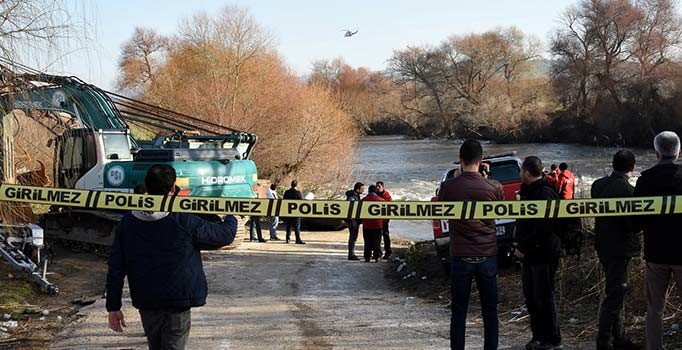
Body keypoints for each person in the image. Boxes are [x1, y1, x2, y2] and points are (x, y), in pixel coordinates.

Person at [106, 164, 237, 350]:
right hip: (177, 301)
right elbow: (224, 235)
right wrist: (231, 214)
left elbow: (116, 268)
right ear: (173, 188)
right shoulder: (183, 220)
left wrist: (113, 306)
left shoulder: (128, 223)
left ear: (147, 186)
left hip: (147, 300)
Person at [438, 139, 503, 350]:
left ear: (460, 160)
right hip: (487, 255)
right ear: (481, 160)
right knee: (490, 312)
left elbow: (441, 205)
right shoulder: (494, 187)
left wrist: (458, 176)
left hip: (460, 255)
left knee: (459, 312)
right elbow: (498, 209)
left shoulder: (448, 188)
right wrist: (485, 178)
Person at [633, 131, 682, 350]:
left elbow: (636, 217)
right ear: (678, 152)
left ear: (656, 153)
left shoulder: (645, 180)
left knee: (654, 309)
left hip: (656, 252)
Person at [591, 150, 641, 350]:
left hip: (603, 244)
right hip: (621, 248)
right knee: (615, 294)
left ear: (613, 165)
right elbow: (633, 225)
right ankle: (604, 340)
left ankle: (619, 338)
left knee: (615, 291)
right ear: (632, 167)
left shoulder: (598, 185)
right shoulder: (628, 192)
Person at [515, 156, 562, 350]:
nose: (519, 175)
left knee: (544, 296)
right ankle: (538, 336)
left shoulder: (544, 193)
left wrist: (523, 247)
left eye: (521, 171)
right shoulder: (529, 191)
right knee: (532, 296)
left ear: (526, 172)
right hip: (531, 253)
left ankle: (552, 339)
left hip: (543, 252)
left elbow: (545, 227)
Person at [361, 185, 384, 262]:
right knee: (377, 242)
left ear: (368, 191)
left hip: (367, 224)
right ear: (376, 191)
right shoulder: (381, 200)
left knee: (367, 242)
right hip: (377, 224)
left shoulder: (363, 200)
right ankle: (376, 257)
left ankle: (367, 257)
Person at [345, 182, 364, 260]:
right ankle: (351, 254)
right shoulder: (352, 197)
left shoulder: (355, 196)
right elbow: (350, 208)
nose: (363, 190)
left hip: (354, 220)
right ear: (357, 189)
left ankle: (351, 253)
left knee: (353, 237)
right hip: (353, 220)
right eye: (362, 189)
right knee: (353, 237)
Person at [283, 180, 305, 244]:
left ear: (291, 184)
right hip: (296, 212)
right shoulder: (298, 192)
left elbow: (284, 201)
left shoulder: (287, 192)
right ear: (296, 185)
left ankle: (287, 239)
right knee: (297, 226)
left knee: (288, 226)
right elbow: (301, 201)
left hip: (288, 211)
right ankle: (297, 239)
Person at [375, 181, 393, 259]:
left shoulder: (387, 195)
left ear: (382, 187)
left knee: (385, 235)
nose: (377, 188)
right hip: (376, 219)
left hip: (384, 219)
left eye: (379, 186)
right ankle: (378, 252)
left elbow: (390, 206)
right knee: (376, 236)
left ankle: (388, 252)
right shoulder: (375, 194)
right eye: (377, 186)